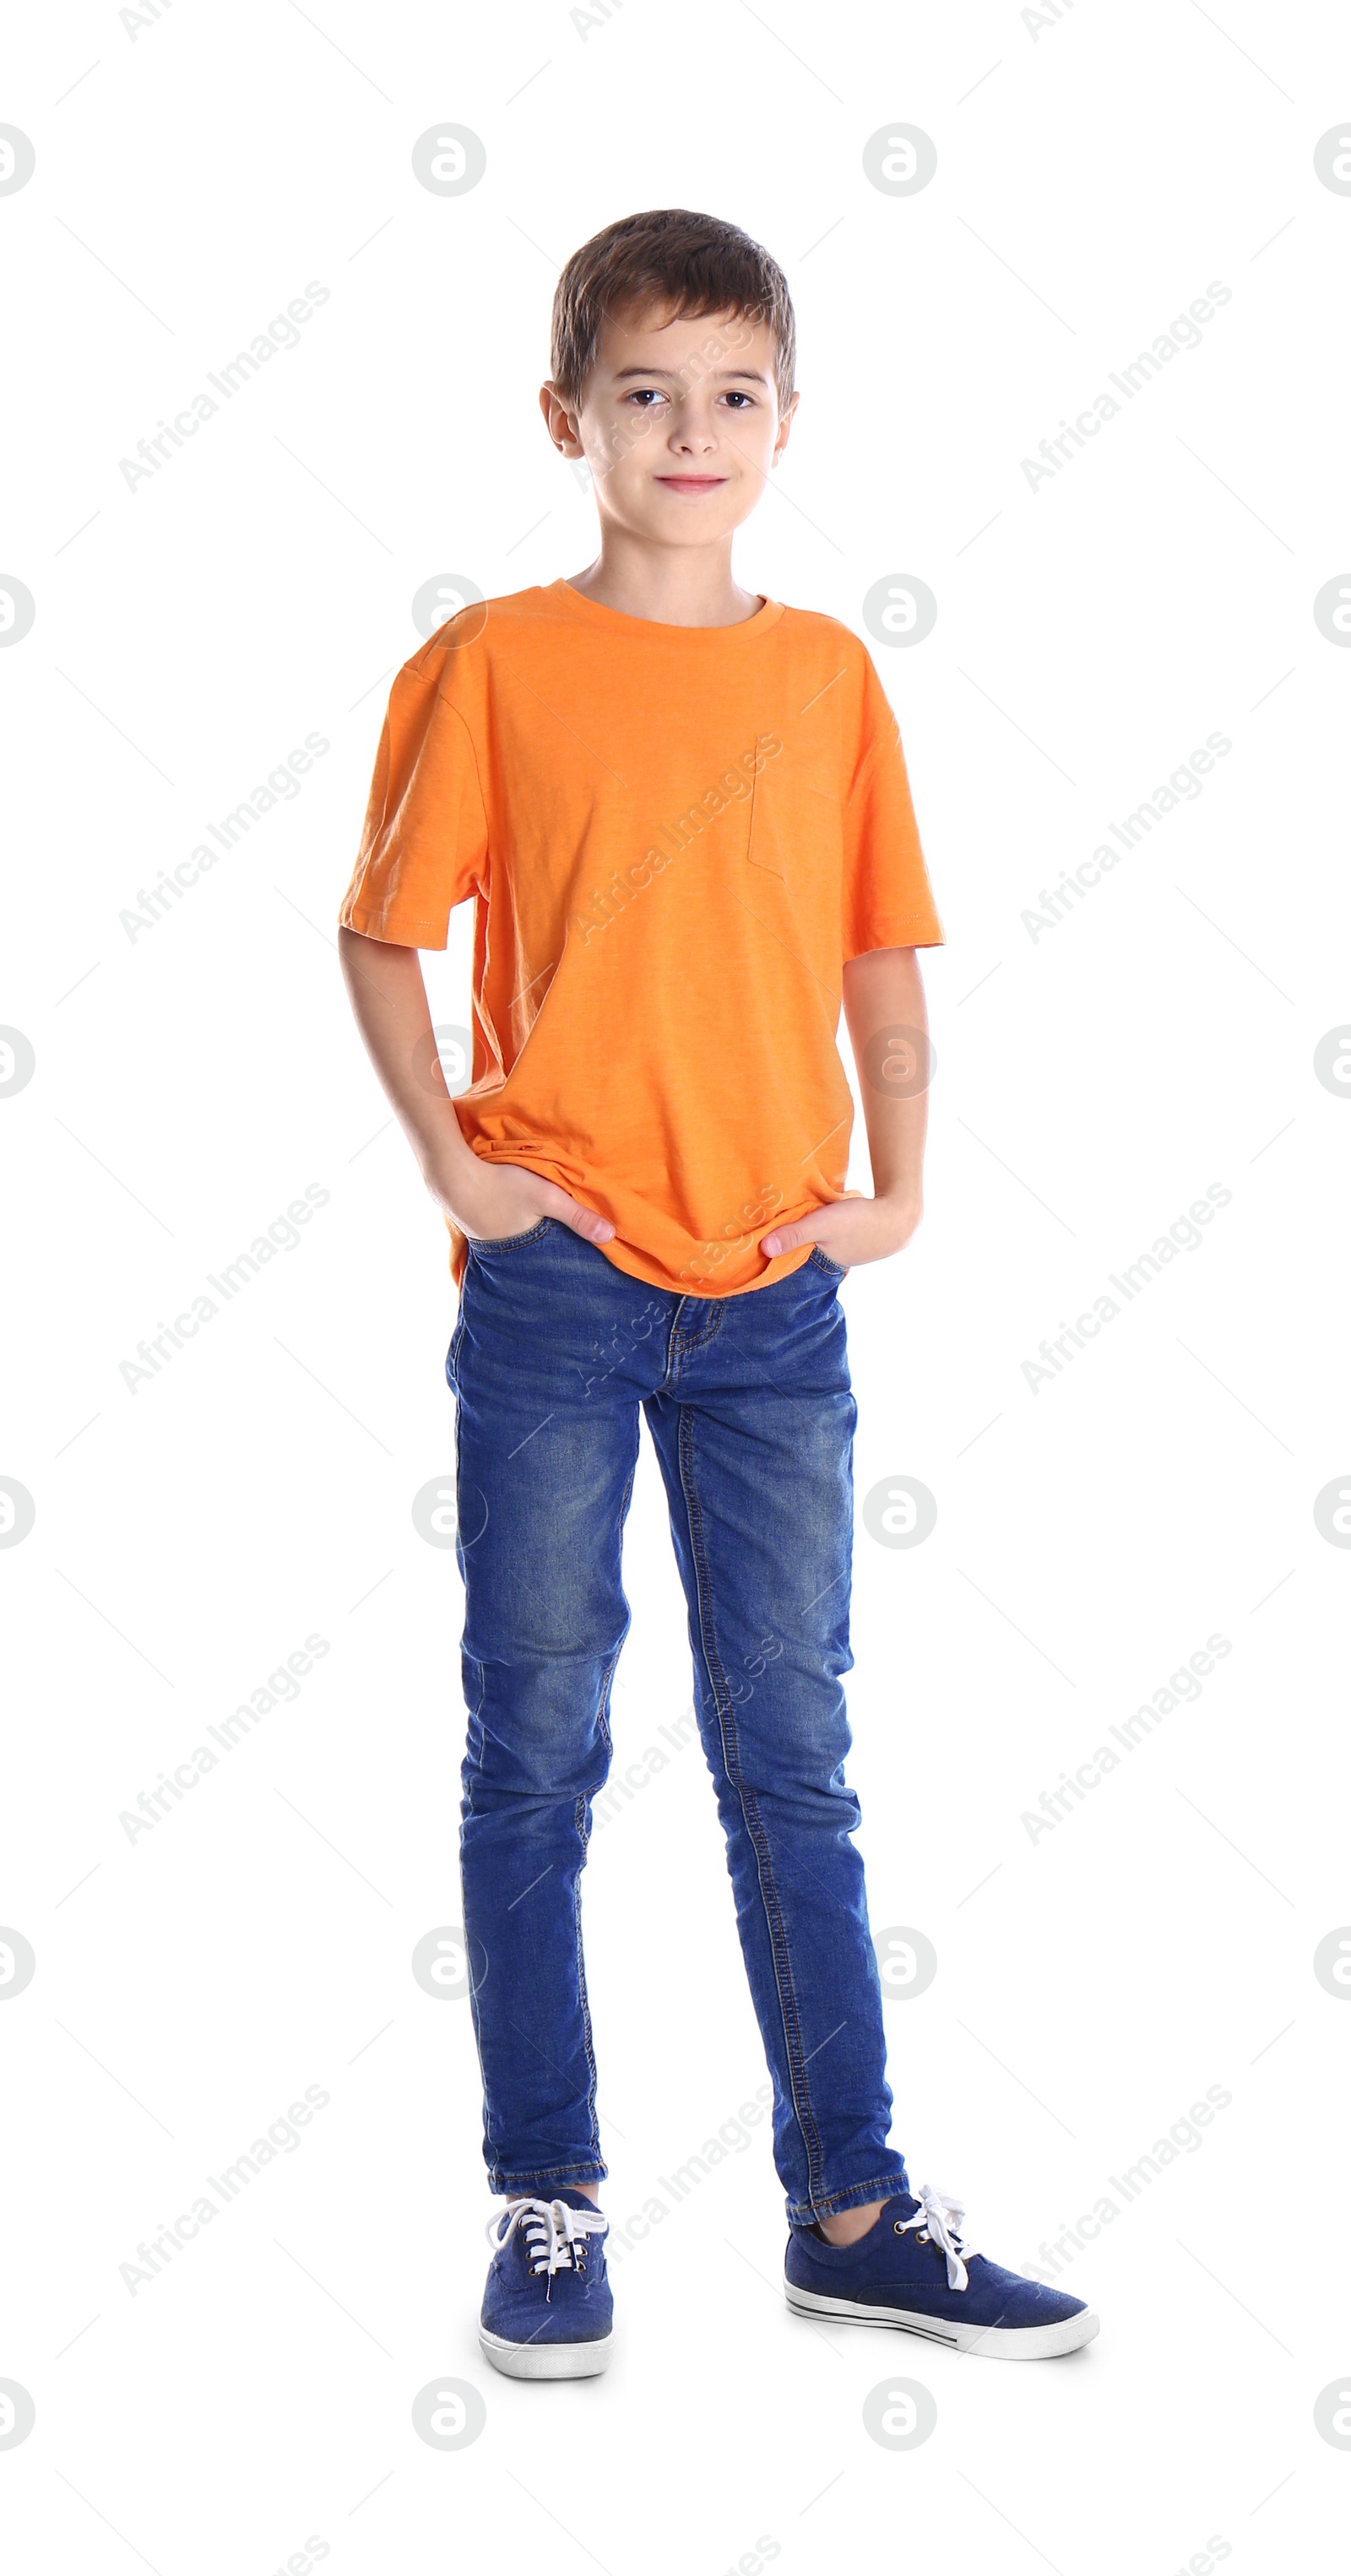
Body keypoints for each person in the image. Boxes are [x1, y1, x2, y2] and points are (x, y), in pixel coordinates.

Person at [337, 207, 1098, 2377]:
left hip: (769, 1292)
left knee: (795, 1751)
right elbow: (381, 929)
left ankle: (848, 2205)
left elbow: (881, 953)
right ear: (565, 416)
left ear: (784, 420)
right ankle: (550, 2199)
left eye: (733, 393)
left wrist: (893, 1193)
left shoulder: (825, 674)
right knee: (538, 1745)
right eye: (644, 392)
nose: (692, 430)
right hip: (560, 1282)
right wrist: (459, 1167)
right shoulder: (494, 662)